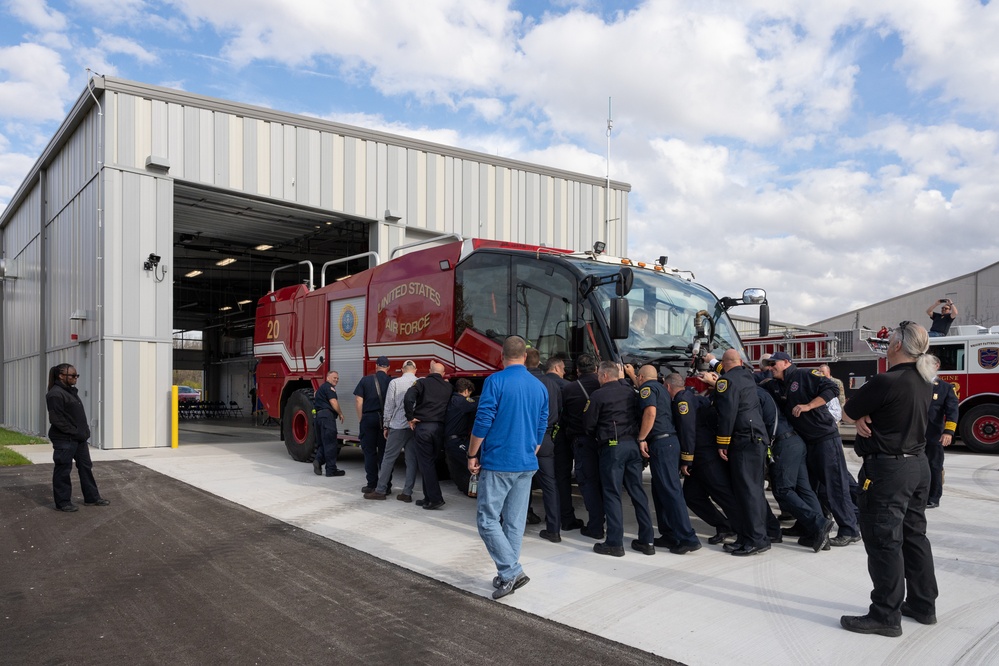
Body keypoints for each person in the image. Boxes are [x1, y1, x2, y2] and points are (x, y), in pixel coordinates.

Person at [840, 321, 939, 638]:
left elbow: (847, 411)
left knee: (884, 541)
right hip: (917, 466)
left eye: (890, 340)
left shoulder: (887, 380)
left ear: (896, 346)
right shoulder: (923, 379)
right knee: (914, 536)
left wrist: (859, 417)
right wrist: (865, 416)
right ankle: (923, 606)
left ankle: (885, 614)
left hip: (888, 471)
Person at [466, 336, 548, 600]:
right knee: (514, 522)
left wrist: (472, 452)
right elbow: (542, 423)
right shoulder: (539, 386)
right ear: (524, 356)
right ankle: (507, 573)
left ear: (501, 357)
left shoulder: (495, 381)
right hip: (526, 463)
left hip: (500, 461)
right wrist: (532, 446)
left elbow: (483, 419)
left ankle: (511, 571)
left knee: (487, 520)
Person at [768, 351, 861, 547]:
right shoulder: (777, 384)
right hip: (806, 443)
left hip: (825, 439)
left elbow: (831, 389)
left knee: (834, 486)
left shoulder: (805, 374)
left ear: (786, 362)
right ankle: (806, 525)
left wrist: (809, 405)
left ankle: (850, 529)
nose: (770, 366)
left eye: (773, 363)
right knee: (809, 488)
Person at [584, 361, 655, 557]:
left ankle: (615, 542)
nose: (598, 378)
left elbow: (589, 424)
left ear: (605, 376)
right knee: (638, 493)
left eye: (599, 375)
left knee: (612, 493)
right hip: (633, 445)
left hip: (612, 448)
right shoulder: (631, 392)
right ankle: (647, 540)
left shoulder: (598, 395)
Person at [757, 379, 834, 552]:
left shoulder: (754, 394)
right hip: (796, 441)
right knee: (805, 490)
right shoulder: (768, 395)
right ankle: (819, 535)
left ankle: (819, 523)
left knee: (783, 490)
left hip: (783, 444)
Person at [666, 372, 737, 546]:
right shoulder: (692, 395)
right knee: (692, 495)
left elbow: (688, 431)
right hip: (702, 455)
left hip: (704, 454)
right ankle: (724, 525)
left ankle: (748, 529)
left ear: (667, 386)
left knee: (723, 494)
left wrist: (686, 460)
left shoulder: (682, 401)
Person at [712, 350, 772, 556]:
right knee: (749, 491)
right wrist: (713, 362)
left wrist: (722, 442)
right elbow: (730, 367)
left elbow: (727, 413)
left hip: (744, 439)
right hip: (755, 438)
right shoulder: (746, 375)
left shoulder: (726, 381)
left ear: (725, 364)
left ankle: (757, 539)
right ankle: (748, 536)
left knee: (749, 492)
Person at [636, 365, 700, 554]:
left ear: (641, 377)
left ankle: (688, 538)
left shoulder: (647, 389)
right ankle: (670, 534)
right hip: (667, 444)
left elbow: (650, 413)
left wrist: (641, 438)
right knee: (660, 491)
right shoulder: (662, 389)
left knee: (671, 492)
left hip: (662, 443)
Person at [46, 363, 109, 512]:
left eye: (77, 376)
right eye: (73, 376)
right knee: (63, 470)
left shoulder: (70, 392)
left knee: (86, 467)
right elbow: (56, 419)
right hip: (65, 439)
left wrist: (83, 431)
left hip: (78, 439)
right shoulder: (55, 394)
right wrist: (74, 432)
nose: (76, 378)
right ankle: (63, 503)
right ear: (61, 376)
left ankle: (92, 498)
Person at [561, 354, 604, 539]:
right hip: (605, 442)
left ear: (577, 370)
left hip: (581, 442)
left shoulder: (569, 388)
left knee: (588, 483)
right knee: (606, 483)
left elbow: (563, 416)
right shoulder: (605, 384)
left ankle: (595, 526)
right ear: (596, 368)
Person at [364, 360, 419, 501]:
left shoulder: (395, 383)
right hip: (414, 427)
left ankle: (381, 490)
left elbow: (389, 406)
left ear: (402, 369)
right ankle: (407, 493)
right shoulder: (420, 382)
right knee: (411, 460)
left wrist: (386, 425)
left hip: (398, 426)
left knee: (388, 459)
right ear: (415, 370)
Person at [525, 349, 564, 542]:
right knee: (550, 485)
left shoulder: (522, 381)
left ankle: (522, 519)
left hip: (524, 438)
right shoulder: (552, 383)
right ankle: (554, 529)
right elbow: (559, 410)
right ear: (539, 362)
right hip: (547, 438)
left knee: (520, 483)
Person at [404, 360, 452, 510]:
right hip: (439, 429)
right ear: (443, 374)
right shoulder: (449, 387)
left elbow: (408, 398)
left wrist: (410, 417)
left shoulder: (421, 383)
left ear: (430, 371)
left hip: (424, 428)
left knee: (426, 464)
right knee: (430, 463)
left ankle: (436, 499)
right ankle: (428, 498)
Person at [546, 356, 583, 531]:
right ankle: (566, 517)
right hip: (562, 437)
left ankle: (548, 513)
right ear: (558, 368)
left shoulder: (538, 383)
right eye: (563, 369)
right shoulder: (568, 386)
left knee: (543, 478)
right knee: (562, 477)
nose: (564, 372)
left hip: (541, 438)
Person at [925, 355, 959, 508]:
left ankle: (933, 497)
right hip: (914, 433)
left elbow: (952, 411)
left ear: (936, 365)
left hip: (934, 435)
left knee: (934, 465)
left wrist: (948, 432)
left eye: (927, 364)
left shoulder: (945, 387)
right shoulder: (917, 384)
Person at [354, 356, 392, 493]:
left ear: (376, 366)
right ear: (388, 367)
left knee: (369, 453)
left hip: (368, 418)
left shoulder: (366, 380)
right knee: (385, 454)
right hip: (385, 420)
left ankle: (371, 484)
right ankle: (386, 485)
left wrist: (361, 419)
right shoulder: (391, 381)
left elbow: (358, 400)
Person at [443, 378, 478, 495]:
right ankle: (474, 489)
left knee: (457, 468)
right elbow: (476, 404)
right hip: (456, 441)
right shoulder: (462, 402)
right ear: (467, 390)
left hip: (449, 441)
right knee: (473, 461)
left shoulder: (451, 399)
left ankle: (464, 488)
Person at [313, 370, 345, 477]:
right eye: (334, 377)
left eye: (337, 378)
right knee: (331, 443)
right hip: (327, 417)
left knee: (324, 442)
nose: (336, 380)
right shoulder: (329, 388)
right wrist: (340, 413)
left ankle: (317, 460)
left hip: (319, 418)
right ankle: (331, 470)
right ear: (327, 378)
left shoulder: (319, 389)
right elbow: (333, 402)